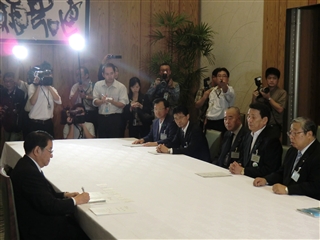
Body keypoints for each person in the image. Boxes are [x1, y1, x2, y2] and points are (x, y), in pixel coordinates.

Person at [10, 131, 90, 240]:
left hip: (35, 219)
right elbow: (49, 206)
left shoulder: (26, 164)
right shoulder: (29, 173)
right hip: (38, 230)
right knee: (85, 233)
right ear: (37, 150)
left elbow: (42, 195)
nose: (51, 155)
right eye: (50, 150)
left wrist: (64, 195)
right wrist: (76, 201)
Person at [253, 117, 320, 200]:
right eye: (290, 133)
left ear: (309, 134)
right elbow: (282, 173)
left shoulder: (317, 154)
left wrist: (287, 190)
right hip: (289, 198)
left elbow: (315, 186)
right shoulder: (292, 151)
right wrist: (266, 180)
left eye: (295, 133)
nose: (291, 137)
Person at [229, 103, 282, 178]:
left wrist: (243, 170)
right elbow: (243, 158)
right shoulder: (248, 135)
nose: (249, 120)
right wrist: (237, 165)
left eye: (253, 117)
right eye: (248, 116)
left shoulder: (272, 141)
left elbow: (269, 169)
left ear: (264, 120)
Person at [93, 63, 129, 138]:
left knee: (116, 142)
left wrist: (113, 102)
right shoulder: (98, 85)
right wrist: (102, 101)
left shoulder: (121, 87)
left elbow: (123, 104)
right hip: (102, 118)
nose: (110, 76)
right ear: (103, 74)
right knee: (103, 143)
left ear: (115, 73)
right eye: (107, 74)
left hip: (116, 118)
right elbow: (94, 102)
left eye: (111, 73)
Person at [27, 62, 62, 137]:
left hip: (48, 123)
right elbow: (32, 102)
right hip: (35, 123)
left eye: (50, 74)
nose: (48, 76)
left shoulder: (52, 88)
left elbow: (58, 100)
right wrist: (39, 84)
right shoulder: (32, 87)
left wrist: (48, 85)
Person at [252, 67, 287, 139]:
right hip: (261, 125)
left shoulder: (282, 92)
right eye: (269, 78)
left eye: (274, 78)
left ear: (278, 80)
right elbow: (254, 108)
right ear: (266, 79)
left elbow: (280, 109)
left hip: (274, 126)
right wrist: (254, 97)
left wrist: (268, 98)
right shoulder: (262, 91)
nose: (271, 80)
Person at [205, 67, 235, 136]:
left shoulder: (230, 89)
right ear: (216, 78)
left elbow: (227, 92)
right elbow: (210, 106)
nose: (221, 78)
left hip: (221, 122)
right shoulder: (213, 91)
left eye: (224, 76)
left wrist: (223, 86)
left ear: (228, 79)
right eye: (219, 76)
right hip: (210, 121)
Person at [0, 72, 26, 150]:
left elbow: (22, 110)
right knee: (6, 144)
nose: (8, 84)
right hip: (5, 124)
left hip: (16, 125)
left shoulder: (20, 93)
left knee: (12, 147)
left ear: (14, 82)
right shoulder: (2, 92)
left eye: (10, 81)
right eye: (6, 81)